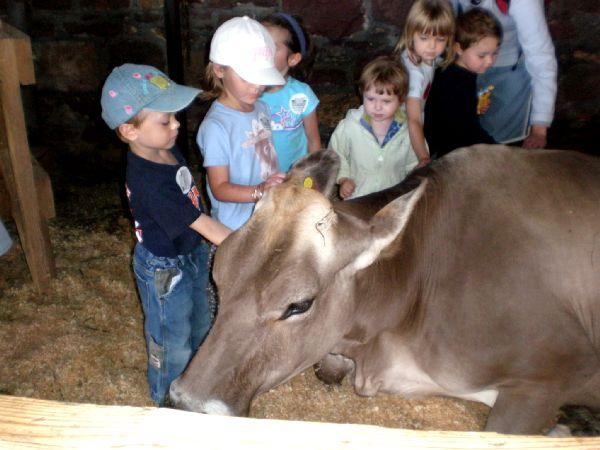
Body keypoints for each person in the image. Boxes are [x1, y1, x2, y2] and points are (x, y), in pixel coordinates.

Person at [100, 63, 231, 406]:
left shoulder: (164, 147)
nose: (176, 124)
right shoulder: (148, 182)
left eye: (174, 116)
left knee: (201, 323)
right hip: (165, 269)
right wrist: (251, 246)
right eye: (165, 120)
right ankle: (166, 406)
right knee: (171, 341)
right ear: (130, 131)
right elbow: (205, 224)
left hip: (191, 253)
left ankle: (197, 386)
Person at [197, 16, 286, 231]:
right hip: (235, 229)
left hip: (267, 214)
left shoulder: (262, 108)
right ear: (220, 70)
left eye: (262, 76)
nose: (257, 86)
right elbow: (220, 188)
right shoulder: (216, 127)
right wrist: (259, 192)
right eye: (247, 77)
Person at [449, 0, 557, 148]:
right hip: (465, 66)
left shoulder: (524, 3)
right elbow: (438, 24)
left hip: (509, 71)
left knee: (499, 145)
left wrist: (539, 128)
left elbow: (541, 58)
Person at [329, 55, 418, 200]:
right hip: (358, 197)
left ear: (401, 99)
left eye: (386, 101)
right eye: (370, 99)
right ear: (362, 93)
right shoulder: (350, 126)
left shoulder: (408, 131)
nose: (377, 107)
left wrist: (412, 185)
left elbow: (414, 163)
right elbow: (336, 154)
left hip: (392, 200)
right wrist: (343, 179)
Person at [424, 8, 500, 158]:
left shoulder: (457, 71)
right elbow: (465, 132)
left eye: (495, 53)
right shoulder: (453, 82)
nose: (490, 61)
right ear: (459, 48)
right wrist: (498, 150)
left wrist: (475, 107)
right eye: (482, 55)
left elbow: (460, 116)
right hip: (444, 154)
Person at [394, 0, 456, 167]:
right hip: (402, 130)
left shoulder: (421, 52)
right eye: (424, 38)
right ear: (410, 33)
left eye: (440, 39)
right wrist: (423, 156)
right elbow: (412, 119)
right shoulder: (415, 75)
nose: (432, 46)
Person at [259, 13, 322, 172]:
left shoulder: (302, 95)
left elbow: (313, 140)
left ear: (293, 59)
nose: (262, 51)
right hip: (258, 176)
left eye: (272, 47)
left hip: (294, 176)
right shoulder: (247, 92)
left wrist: (316, 175)